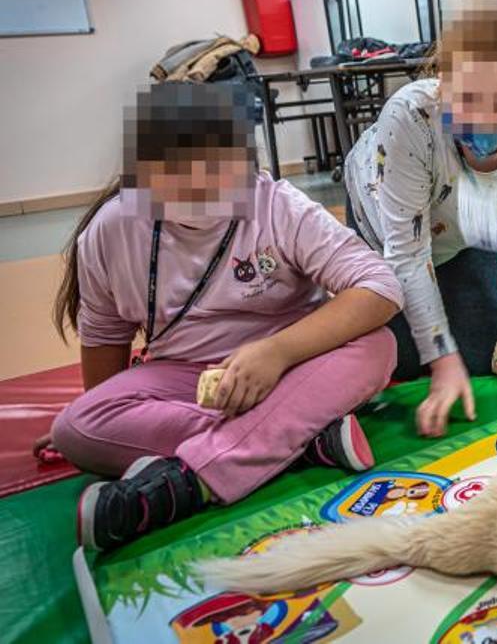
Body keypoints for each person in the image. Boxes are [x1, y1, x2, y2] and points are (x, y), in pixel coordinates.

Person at [47, 83, 402, 550]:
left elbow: (380, 287)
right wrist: (102, 414)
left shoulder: (276, 205)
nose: (198, 186)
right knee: (74, 427)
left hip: (294, 369)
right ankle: (301, 440)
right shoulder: (112, 230)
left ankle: (187, 483)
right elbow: (104, 338)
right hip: (186, 381)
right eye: (176, 172)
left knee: (377, 346)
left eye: (215, 170)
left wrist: (276, 351)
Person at [344, 4, 497, 438]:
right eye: (468, 100)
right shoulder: (410, 118)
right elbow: (407, 253)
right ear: (444, 88)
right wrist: (442, 361)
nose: (483, 116)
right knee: (404, 360)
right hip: (386, 225)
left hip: (463, 234)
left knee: (485, 359)